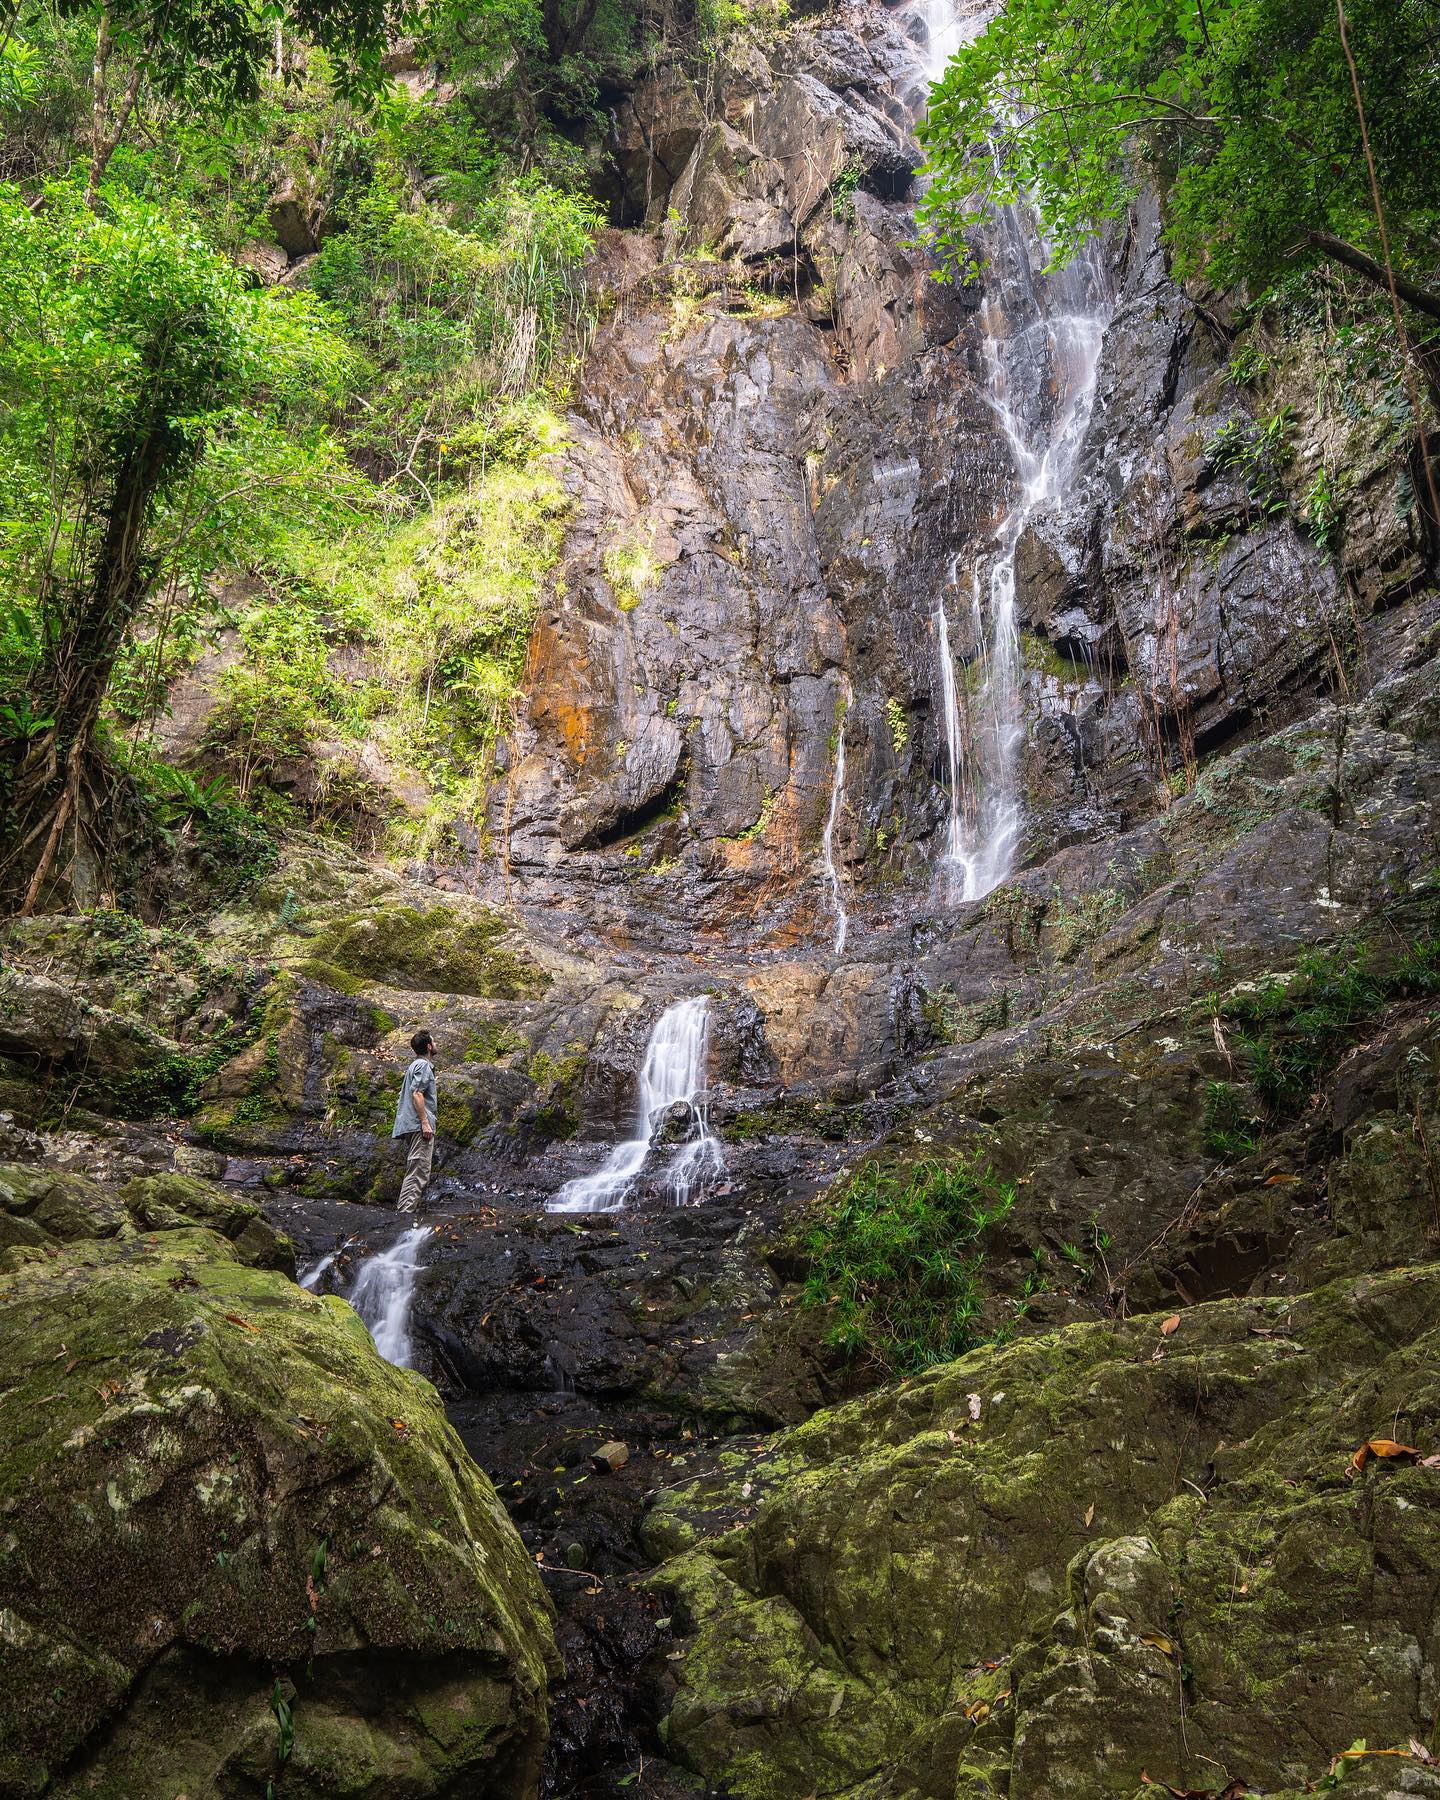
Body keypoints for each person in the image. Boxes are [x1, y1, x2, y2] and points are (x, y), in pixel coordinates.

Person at [392, 1029, 438, 1214]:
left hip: (411, 1125)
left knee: (417, 1168)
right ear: (428, 1046)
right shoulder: (423, 1065)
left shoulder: (415, 1065)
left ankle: (405, 1214)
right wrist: (425, 1122)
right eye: (434, 1042)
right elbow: (417, 1093)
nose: (436, 1045)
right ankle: (404, 1216)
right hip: (419, 1126)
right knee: (418, 1171)